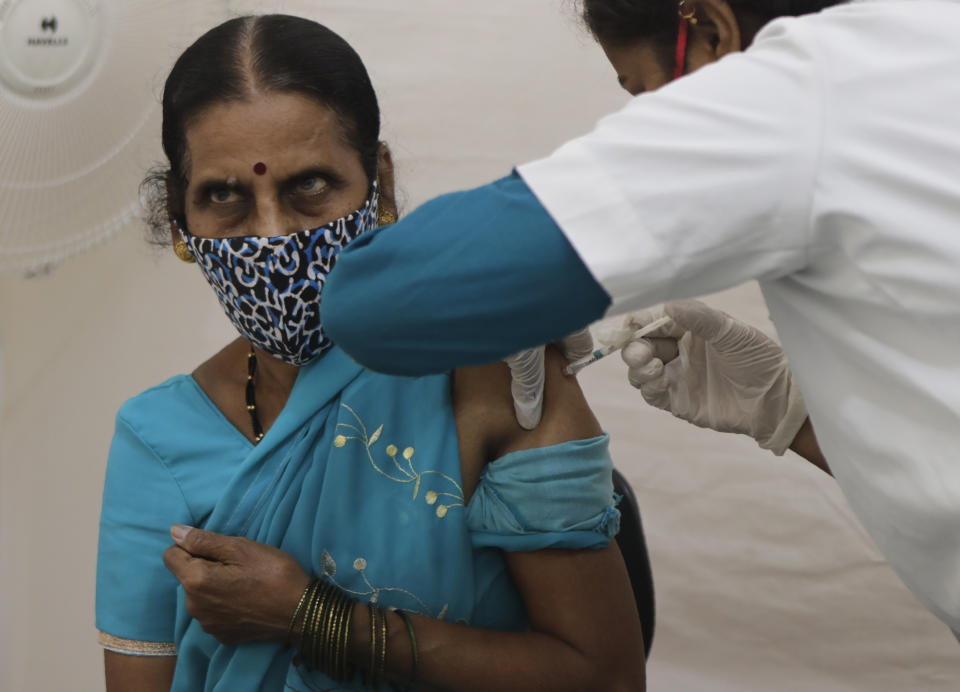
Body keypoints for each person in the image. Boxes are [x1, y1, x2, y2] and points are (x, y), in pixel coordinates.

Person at [321, 0, 960, 639]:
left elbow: (376, 302)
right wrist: (794, 414)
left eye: (651, 96)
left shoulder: (791, 95)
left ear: (710, 31)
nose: (656, 127)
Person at [94, 15, 648, 692]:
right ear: (181, 222)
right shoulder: (156, 439)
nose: (271, 238)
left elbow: (607, 678)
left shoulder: (496, 377)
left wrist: (313, 617)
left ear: (378, 186)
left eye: (309, 186)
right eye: (224, 196)